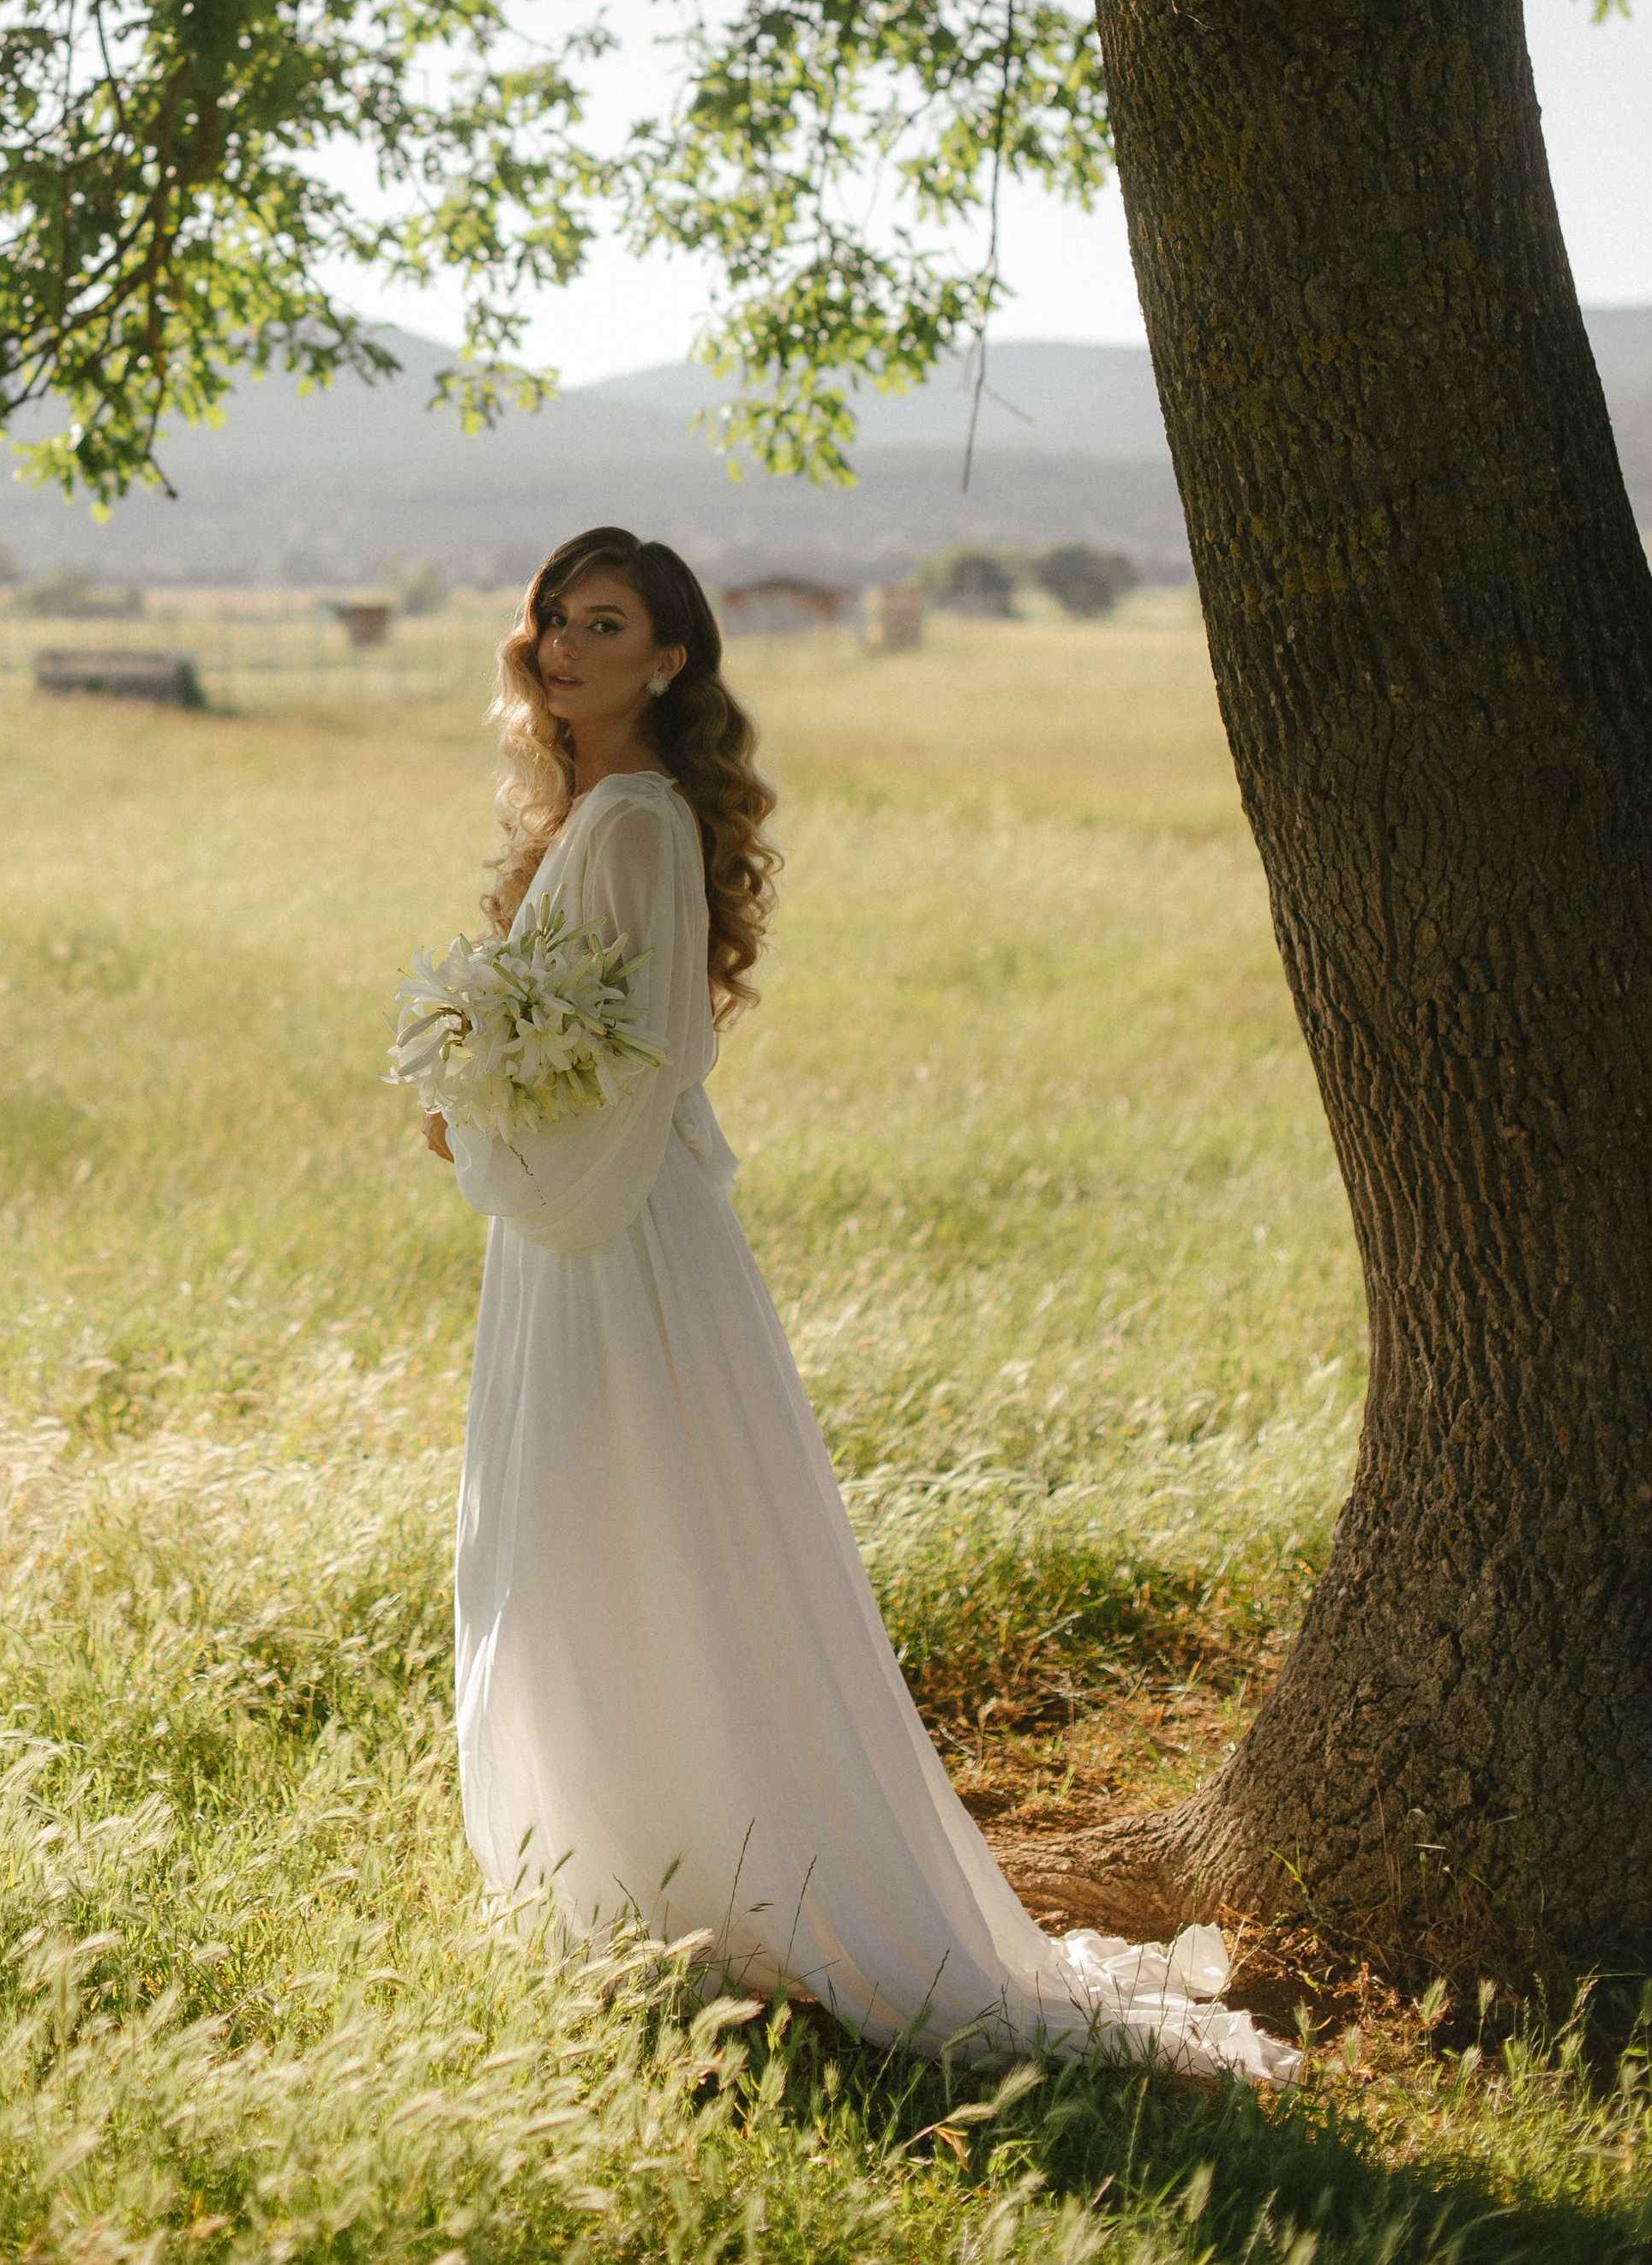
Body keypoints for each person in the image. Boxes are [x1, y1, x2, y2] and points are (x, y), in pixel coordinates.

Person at [422, 526, 1295, 2082]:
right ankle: (645, 1871)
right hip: (596, 1225)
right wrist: (484, 1082)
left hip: (612, 1237)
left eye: (603, 623)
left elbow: (653, 1062)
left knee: (609, 1526)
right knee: (616, 1528)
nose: (562, 645)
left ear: (668, 657)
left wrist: (485, 1113)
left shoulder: (630, 819)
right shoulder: (607, 811)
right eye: (552, 616)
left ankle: (676, 1876)